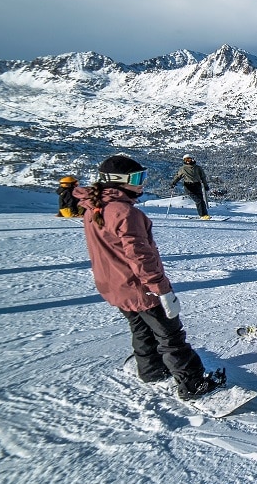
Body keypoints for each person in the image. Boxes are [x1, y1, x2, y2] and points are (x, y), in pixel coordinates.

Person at [74, 154, 224, 399]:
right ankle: (193, 383)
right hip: (140, 287)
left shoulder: (94, 206)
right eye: (136, 178)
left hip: (114, 285)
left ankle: (151, 370)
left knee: (141, 329)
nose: (141, 183)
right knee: (171, 335)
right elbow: (140, 257)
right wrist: (162, 289)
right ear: (116, 181)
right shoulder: (124, 213)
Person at [170, 154, 211, 219]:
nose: (188, 161)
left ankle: (205, 215)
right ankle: (202, 215)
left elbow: (203, 177)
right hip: (188, 186)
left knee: (201, 201)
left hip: (197, 185)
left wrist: (205, 185)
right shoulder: (183, 169)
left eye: (189, 159)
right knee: (198, 200)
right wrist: (173, 183)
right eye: (186, 159)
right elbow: (178, 177)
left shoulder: (198, 168)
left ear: (192, 159)